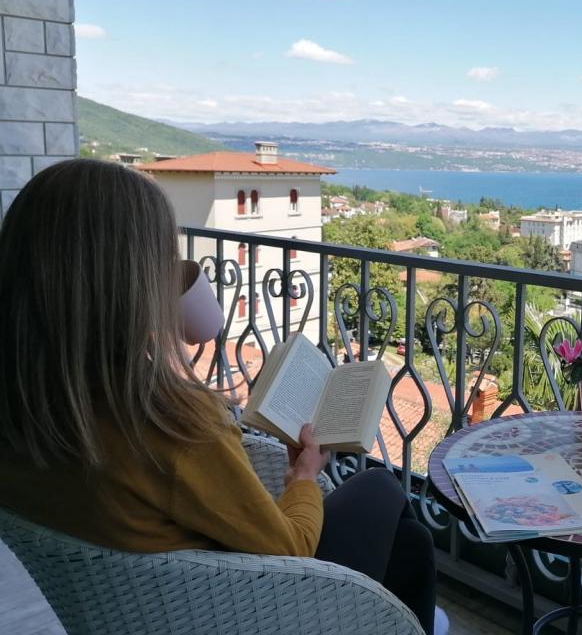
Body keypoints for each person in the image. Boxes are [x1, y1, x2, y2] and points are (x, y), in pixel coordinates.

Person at [0, 159, 439, 634]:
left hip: (149, 609)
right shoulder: (168, 426)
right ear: (138, 281)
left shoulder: (21, 403)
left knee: (409, 541)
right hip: (253, 612)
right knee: (381, 489)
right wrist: (303, 477)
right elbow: (290, 548)